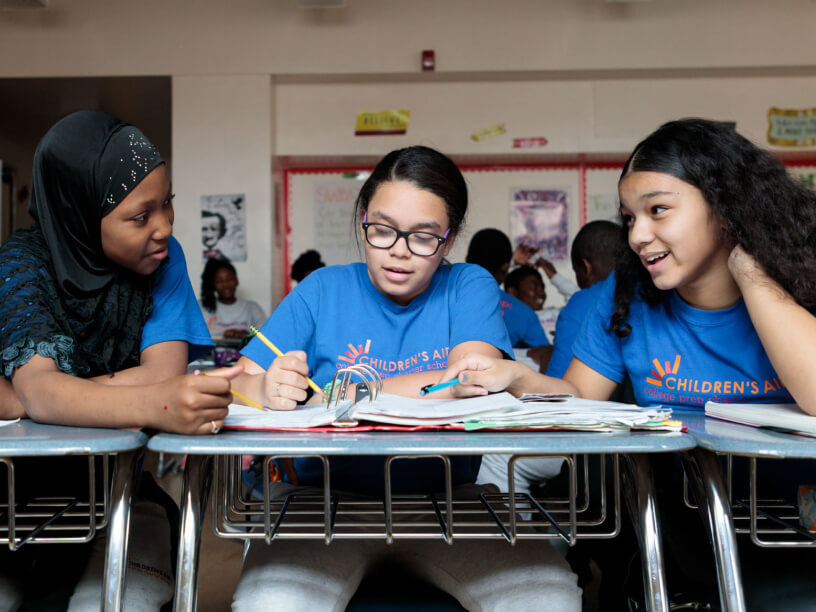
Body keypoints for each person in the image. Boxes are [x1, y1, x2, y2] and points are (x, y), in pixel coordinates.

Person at [439, 118, 816, 609]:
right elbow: (577, 400)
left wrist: (750, 270)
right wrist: (519, 377)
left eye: (658, 210)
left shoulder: (799, 280)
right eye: (630, 218)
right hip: (694, 538)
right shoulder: (626, 299)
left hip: (799, 533)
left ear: (725, 208)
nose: (639, 235)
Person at [230, 146, 581, 611]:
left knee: (547, 598)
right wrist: (263, 387)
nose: (399, 249)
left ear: (449, 240)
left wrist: (332, 396)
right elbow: (235, 381)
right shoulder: (322, 290)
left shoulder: (468, 284)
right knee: (270, 602)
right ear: (363, 221)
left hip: (450, 503)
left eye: (423, 236)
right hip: (324, 504)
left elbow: (467, 379)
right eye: (382, 230)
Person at [0, 110, 242, 610]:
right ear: (80, 216)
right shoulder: (22, 266)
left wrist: (40, 397)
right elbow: (50, 392)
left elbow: (161, 375)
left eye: (167, 203)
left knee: (113, 600)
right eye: (140, 216)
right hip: (17, 499)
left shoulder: (164, 260)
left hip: (120, 490)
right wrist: (149, 402)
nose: (164, 227)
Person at [546, 220, 619, 378]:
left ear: (585, 268)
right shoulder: (650, 294)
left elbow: (559, 391)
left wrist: (546, 359)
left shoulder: (581, 304)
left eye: (575, 270)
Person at [465, 228, 550, 355]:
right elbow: (545, 355)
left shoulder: (442, 297)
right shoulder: (523, 313)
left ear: (467, 260)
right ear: (505, 267)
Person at [200, 258, 266, 340]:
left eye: (229, 279)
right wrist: (224, 334)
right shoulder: (201, 307)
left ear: (236, 280)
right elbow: (195, 335)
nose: (225, 285)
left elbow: (264, 335)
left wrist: (246, 335)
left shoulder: (252, 308)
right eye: (219, 281)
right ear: (213, 284)